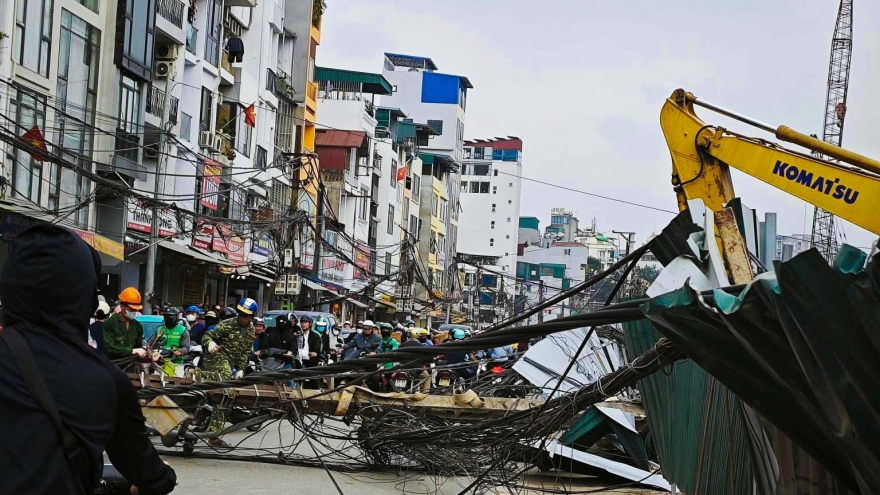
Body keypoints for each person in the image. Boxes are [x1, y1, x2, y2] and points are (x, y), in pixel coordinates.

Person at [0, 223, 176, 494]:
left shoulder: (138, 329)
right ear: (84, 298)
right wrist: (165, 476)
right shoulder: (106, 379)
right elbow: (150, 475)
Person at [201, 298, 257, 445]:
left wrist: (241, 369)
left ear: (251, 317)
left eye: (246, 316)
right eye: (240, 314)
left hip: (231, 364)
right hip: (217, 358)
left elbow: (245, 352)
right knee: (225, 392)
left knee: (230, 395)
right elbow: (207, 336)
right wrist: (210, 343)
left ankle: (213, 428)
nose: (242, 318)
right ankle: (214, 434)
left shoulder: (251, 330)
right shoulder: (227, 324)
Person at [103, 287, 150, 362]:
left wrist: (147, 353)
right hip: (114, 366)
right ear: (122, 307)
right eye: (132, 309)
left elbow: (138, 349)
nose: (134, 312)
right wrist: (132, 351)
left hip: (131, 367)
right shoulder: (109, 323)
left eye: (136, 310)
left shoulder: (137, 326)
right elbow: (109, 348)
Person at [154, 308, 192, 377]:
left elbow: (186, 347)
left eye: (170, 316)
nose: (168, 318)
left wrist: (178, 352)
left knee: (176, 384)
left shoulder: (183, 330)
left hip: (176, 364)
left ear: (176, 317)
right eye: (166, 316)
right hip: (159, 364)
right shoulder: (159, 329)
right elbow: (151, 345)